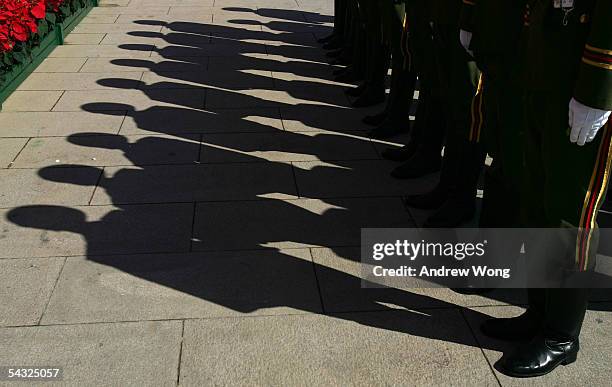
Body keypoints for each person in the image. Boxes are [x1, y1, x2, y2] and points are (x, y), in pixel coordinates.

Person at [479, 0, 611, 378]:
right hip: (545, 72)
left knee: (570, 214)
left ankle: (561, 336)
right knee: (537, 200)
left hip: (581, 81)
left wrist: (598, 89)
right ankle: (539, 314)